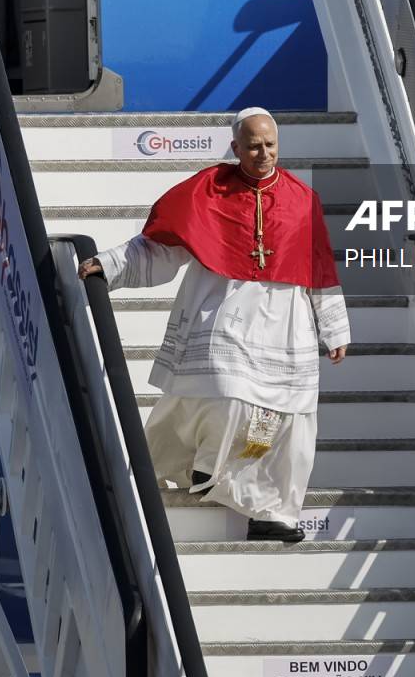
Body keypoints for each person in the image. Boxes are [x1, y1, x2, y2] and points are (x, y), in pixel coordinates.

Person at [79, 108, 349, 542]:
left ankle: (270, 511)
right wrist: (110, 264)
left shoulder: (303, 198)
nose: (263, 154)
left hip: (286, 322)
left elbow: (319, 266)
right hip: (228, 309)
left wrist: (333, 328)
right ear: (236, 147)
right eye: (254, 146)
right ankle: (204, 466)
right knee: (226, 392)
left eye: (270, 145)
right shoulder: (210, 189)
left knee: (280, 419)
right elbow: (163, 246)